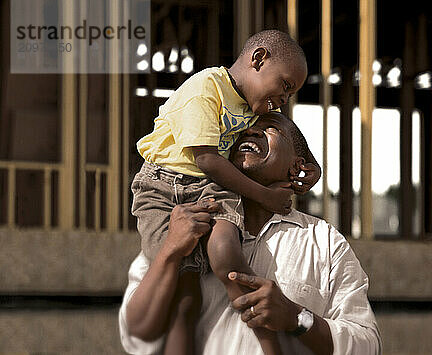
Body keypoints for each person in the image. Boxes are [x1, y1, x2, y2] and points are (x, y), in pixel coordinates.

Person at [120, 112, 382, 354]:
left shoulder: (323, 242)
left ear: (297, 166)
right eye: (243, 130)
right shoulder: (181, 222)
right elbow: (135, 335)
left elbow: (367, 344)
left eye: (270, 129)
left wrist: (296, 317)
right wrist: (169, 252)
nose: (250, 133)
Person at [131, 30, 320, 355]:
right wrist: (263, 195)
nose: (285, 98)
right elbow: (207, 160)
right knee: (182, 295)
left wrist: (313, 165)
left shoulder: (254, 105)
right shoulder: (205, 89)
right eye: (286, 86)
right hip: (162, 188)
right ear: (258, 60)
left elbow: (288, 132)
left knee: (227, 258)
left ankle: (268, 345)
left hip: (211, 189)